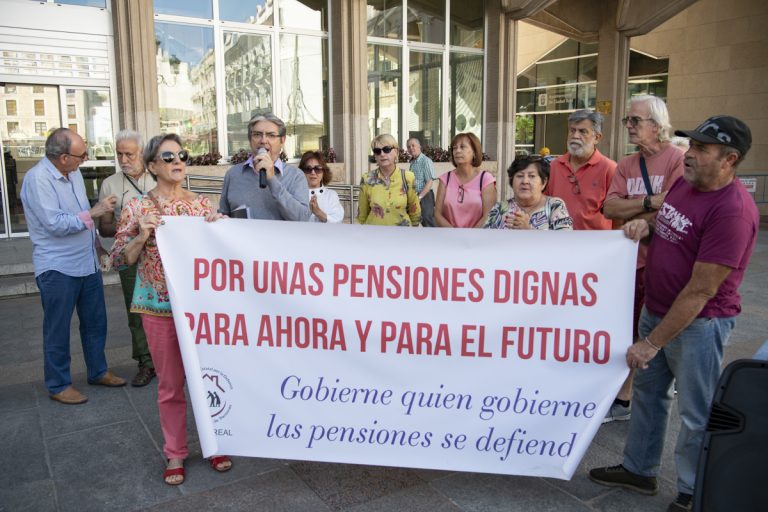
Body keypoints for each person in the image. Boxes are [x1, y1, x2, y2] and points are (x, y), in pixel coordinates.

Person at [589, 116, 758, 512]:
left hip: (699, 324)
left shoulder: (732, 212)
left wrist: (651, 343)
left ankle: (694, 489)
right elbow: (664, 220)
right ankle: (640, 469)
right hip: (658, 307)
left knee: (697, 411)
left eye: (702, 149)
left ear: (729, 159)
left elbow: (701, 290)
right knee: (650, 395)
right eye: (692, 144)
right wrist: (642, 227)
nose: (691, 154)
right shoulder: (686, 182)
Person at [111, 133, 232, 485]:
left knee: (208, 378)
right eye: (168, 157)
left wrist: (221, 233)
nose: (178, 161)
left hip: (200, 309)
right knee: (170, 384)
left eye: (182, 155)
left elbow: (220, 258)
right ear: (151, 166)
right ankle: (175, 452)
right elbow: (119, 259)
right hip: (158, 306)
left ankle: (215, 443)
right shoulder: (137, 208)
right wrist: (140, 237)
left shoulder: (202, 206)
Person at [20, 128, 125, 405]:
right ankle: (58, 384)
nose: (86, 158)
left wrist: (96, 244)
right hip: (57, 267)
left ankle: (98, 371)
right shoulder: (37, 179)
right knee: (57, 328)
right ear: (63, 157)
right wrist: (95, 212)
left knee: (95, 322)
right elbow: (55, 225)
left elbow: (81, 219)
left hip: (86, 262)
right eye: (81, 155)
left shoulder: (74, 173)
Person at [601, 95, 685, 423]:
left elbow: (676, 207)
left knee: (654, 332)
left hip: (665, 262)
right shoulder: (626, 164)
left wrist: (635, 206)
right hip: (630, 263)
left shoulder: (677, 159)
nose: (629, 127)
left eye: (635, 121)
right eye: (628, 121)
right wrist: (651, 201)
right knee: (628, 327)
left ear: (656, 124)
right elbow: (610, 208)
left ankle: (633, 395)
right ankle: (625, 394)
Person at [97, 129, 155, 387]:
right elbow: (103, 227)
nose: (124, 159)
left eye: (129, 154)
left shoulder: (158, 176)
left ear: (141, 153)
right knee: (137, 312)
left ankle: (172, 360)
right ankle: (145, 362)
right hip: (129, 256)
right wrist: (129, 225)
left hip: (160, 255)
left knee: (168, 308)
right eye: (119, 154)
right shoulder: (110, 184)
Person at [219, 113, 309, 221]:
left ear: (282, 140)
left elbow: (302, 218)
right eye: (257, 134)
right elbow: (224, 214)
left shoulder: (295, 176)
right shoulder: (233, 174)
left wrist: (271, 179)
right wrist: (219, 218)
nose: (263, 140)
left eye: (271, 135)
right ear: (249, 139)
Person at [547, 109, 617, 230]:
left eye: (582, 131)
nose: (575, 136)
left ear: (597, 138)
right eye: (572, 130)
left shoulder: (610, 169)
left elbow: (618, 215)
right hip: (557, 242)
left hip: (595, 245)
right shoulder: (554, 166)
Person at [484, 155, 573, 230]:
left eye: (531, 176)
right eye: (520, 176)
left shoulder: (555, 206)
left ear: (544, 182)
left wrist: (528, 230)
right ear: (511, 181)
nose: (525, 181)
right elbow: (487, 241)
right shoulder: (499, 209)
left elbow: (563, 243)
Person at [357, 134, 421, 226]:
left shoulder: (408, 177)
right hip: (373, 236)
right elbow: (361, 216)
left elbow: (415, 214)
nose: (382, 154)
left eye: (386, 149)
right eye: (377, 151)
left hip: (402, 237)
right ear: (375, 155)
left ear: (396, 151)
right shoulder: (367, 179)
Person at [435, 132, 496, 228]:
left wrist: (469, 236)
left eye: (462, 147)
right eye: (454, 148)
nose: (457, 151)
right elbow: (437, 214)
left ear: (474, 152)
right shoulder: (445, 179)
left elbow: (488, 216)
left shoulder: (485, 179)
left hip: (477, 239)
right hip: (449, 238)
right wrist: (455, 235)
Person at [299, 150, 344, 223]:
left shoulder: (331, 195)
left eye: (317, 169)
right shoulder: (296, 195)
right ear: (302, 172)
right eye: (308, 169)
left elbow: (338, 220)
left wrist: (318, 213)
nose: (313, 173)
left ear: (324, 172)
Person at [406, 137, 437, 227]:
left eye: (413, 145)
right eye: (408, 147)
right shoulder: (412, 162)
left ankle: (434, 239)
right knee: (411, 219)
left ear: (419, 146)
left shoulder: (426, 161)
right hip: (414, 195)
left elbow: (430, 182)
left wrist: (419, 197)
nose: (411, 148)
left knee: (427, 220)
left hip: (425, 195)